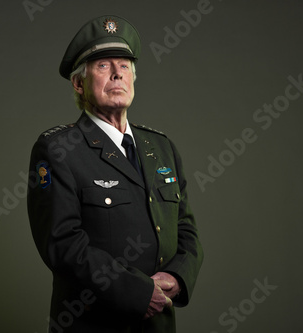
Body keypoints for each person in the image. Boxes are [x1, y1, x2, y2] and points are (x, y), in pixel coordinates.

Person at [27, 15, 203, 333]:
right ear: (79, 83)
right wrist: (137, 292)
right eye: (103, 66)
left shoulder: (162, 148)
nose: (117, 74)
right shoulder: (58, 149)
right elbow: (62, 245)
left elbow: (186, 228)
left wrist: (178, 277)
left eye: (124, 66)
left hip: (158, 325)